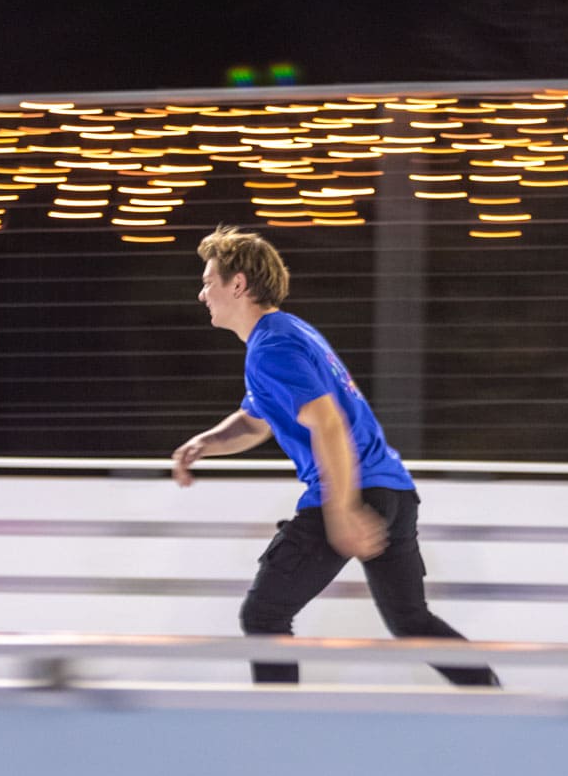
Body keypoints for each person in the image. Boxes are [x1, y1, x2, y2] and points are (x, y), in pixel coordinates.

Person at [171, 225, 500, 687]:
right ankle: (491, 696)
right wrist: (205, 442)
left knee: (264, 615)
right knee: (410, 620)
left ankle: (280, 730)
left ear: (238, 284)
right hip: (393, 489)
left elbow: (327, 423)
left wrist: (343, 511)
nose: (202, 293)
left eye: (209, 281)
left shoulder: (273, 348)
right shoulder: (288, 333)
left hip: (352, 489)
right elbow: (256, 420)